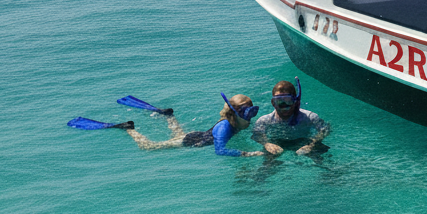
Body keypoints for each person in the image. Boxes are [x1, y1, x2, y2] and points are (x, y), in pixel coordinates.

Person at [126, 94, 265, 157]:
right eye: (247, 112)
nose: (250, 115)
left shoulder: (239, 119)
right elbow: (220, 150)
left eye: (252, 111)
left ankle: (168, 116)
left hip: (198, 135)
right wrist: (247, 153)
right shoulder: (223, 127)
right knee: (148, 147)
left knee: (178, 133)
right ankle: (128, 128)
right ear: (236, 112)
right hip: (191, 141)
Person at [252, 79, 330, 156]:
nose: (284, 105)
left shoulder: (310, 117)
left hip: (303, 142)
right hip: (277, 143)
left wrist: (312, 144)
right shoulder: (264, 120)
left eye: (287, 100)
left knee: (324, 159)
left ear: (295, 101)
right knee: (268, 161)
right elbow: (256, 135)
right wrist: (266, 143)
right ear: (273, 103)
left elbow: (325, 130)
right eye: (279, 101)